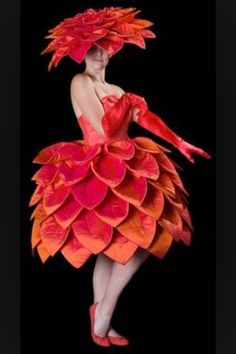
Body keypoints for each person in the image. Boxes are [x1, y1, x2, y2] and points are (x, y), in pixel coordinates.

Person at [29, 7, 211, 347]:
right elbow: (103, 128)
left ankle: (99, 315)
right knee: (131, 244)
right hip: (99, 165)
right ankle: (105, 314)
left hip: (128, 163)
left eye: (104, 45)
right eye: (92, 48)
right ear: (82, 52)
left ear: (113, 46)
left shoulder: (115, 86)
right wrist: (128, 105)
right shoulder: (80, 81)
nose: (99, 53)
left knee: (115, 248)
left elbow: (148, 117)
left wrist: (179, 141)